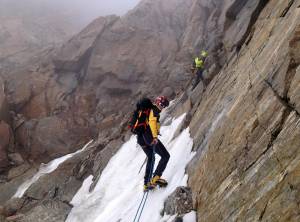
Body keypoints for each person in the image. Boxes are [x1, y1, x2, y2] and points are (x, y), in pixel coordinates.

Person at [135, 96, 170, 191]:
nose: (162, 107)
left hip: (142, 139)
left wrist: (156, 132)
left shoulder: (149, 110)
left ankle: (146, 184)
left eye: (164, 106)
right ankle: (156, 178)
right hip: (150, 138)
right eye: (162, 105)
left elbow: (152, 123)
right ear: (157, 103)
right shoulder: (154, 110)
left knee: (151, 158)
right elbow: (152, 122)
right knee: (165, 156)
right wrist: (155, 137)